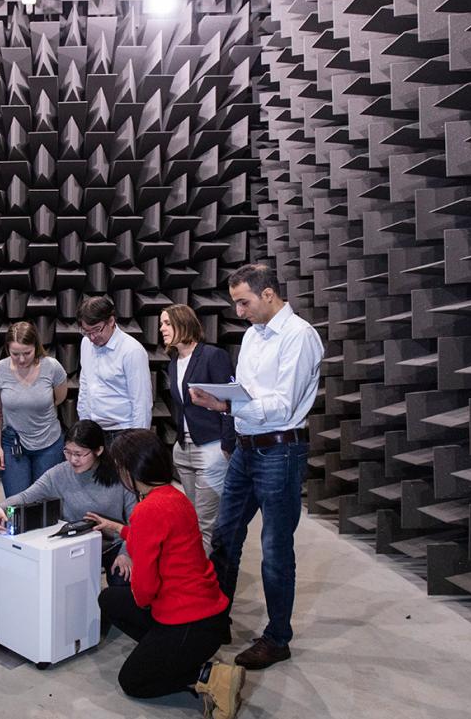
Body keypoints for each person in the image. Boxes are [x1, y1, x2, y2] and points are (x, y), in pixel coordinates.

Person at [190, 264, 323, 670]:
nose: (239, 312)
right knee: (225, 534)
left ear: (268, 295)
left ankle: (277, 638)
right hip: (246, 451)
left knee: (275, 549)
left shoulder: (300, 337)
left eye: (243, 302)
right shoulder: (250, 337)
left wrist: (226, 405)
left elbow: (282, 405)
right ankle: (216, 618)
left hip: (281, 453)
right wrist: (230, 417)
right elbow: (247, 394)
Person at [88, 430, 246, 719]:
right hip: (210, 615)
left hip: (188, 620)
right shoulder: (174, 496)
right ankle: (170, 652)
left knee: (133, 681)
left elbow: (145, 590)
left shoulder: (148, 510)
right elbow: (155, 535)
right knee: (110, 598)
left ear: (129, 471)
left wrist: (138, 584)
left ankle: (209, 675)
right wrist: (117, 527)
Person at [0, 420, 134, 585]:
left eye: (79, 454)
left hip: (113, 546)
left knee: (123, 582)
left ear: (99, 450)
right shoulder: (59, 474)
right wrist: (1, 507)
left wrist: (125, 553)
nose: (73, 460)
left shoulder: (121, 475)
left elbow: (136, 523)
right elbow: (26, 496)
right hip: (74, 547)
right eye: (68, 452)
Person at [160, 304, 234, 552]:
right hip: (183, 449)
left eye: (167, 323)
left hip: (210, 449)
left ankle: (204, 584)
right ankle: (195, 575)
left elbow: (231, 402)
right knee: (190, 520)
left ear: (184, 323)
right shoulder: (174, 362)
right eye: (161, 324)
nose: (162, 328)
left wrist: (226, 446)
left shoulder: (213, 356)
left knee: (206, 524)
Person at [0, 321, 68, 496]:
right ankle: (14, 526)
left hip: (49, 445)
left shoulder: (52, 367)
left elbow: (59, 398)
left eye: (27, 353)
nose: (22, 359)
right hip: (13, 444)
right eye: (15, 354)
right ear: (8, 349)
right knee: (15, 505)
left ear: (36, 347)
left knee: (46, 504)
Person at [76, 296, 153, 440]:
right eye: (86, 331)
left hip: (123, 432)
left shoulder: (132, 350)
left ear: (111, 321)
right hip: (94, 430)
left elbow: (141, 402)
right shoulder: (86, 343)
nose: (92, 337)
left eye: (96, 330)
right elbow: (85, 386)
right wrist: (84, 424)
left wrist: (139, 441)